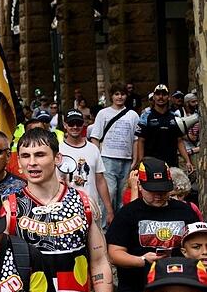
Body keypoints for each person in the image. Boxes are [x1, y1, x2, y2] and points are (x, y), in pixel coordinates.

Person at [8, 128, 116, 292]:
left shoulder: (82, 203)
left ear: (57, 158)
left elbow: (99, 261)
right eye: (26, 156)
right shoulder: (10, 208)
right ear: (18, 162)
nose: (32, 163)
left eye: (40, 155)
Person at [106, 157, 201, 292]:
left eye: (163, 190)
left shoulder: (185, 211)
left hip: (177, 287)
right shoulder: (128, 213)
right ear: (140, 186)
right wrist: (142, 260)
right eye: (152, 190)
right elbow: (114, 253)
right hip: (137, 288)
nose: (158, 195)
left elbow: (199, 245)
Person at [59, 110, 115, 227]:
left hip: (92, 208)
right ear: (65, 125)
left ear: (83, 124)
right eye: (71, 123)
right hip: (66, 210)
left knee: (96, 244)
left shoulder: (93, 149)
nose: (75, 127)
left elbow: (100, 180)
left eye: (78, 123)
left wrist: (109, 210)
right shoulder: (58, 150)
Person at [90, 85, 139, 214]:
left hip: (126, 159)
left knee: (123, 195)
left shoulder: (133, 115)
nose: (119, 97)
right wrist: (97, 157)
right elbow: (95, 137)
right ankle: (105, 226)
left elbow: (136, 139)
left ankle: (121, 224)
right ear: (111, 96)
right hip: (107, 158)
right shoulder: (103, 113)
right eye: (116, 94)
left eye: (122, 94)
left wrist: (135, 158)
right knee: (109, 192)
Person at [135, 83, 192, 171]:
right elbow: (141, 141)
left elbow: (179, 141)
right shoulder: (145, 117)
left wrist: (188, 161)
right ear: (153, 97)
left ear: (168, 97)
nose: (161, 97)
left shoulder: (174, 117)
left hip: (171, 164)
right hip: (151, 164)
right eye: (158, 94)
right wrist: (141, 162)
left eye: (164, 94)